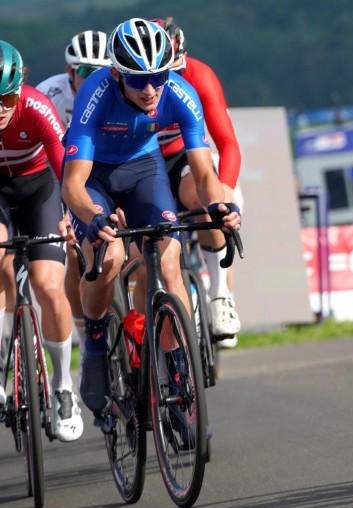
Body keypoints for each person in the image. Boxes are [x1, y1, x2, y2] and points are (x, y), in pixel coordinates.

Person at [61, 18, 241, 423]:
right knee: (108, 259)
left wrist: (220, 207)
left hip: (144, 169)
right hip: (94, 176)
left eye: (158, 77)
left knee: (167, 259)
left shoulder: (180, 92)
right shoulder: (95, 94)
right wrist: (92, 217)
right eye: (139, 80)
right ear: (116, 74)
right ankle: (93, 345)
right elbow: (72, 185)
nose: (150, 89)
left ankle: (175, 366)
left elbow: (205, 173)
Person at [0, 41, 83, 441]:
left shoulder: (36, 107)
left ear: (21, 87)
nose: (0, 107)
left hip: (40, 189)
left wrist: (70, 216)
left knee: (48, 285)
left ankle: (63, 386)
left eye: (7, 97)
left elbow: (64, 165)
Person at [151, 17, 242, 342]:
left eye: (177, 70)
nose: (168, 82)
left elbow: (228, 143)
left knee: (208, 203)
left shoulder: (200, 76)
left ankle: (220, 296)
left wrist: (225, 192)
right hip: (143, 159)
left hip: (184, 155)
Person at [36, 30, 112, 367]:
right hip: (57, 171)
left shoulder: (115, 90)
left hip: (98, 167)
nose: (92, 78)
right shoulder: (49, 94)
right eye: (85, 71)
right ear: (70, 73)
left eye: (100, 70)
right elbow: (45, 159)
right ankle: (85, 329)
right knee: (73, 248)